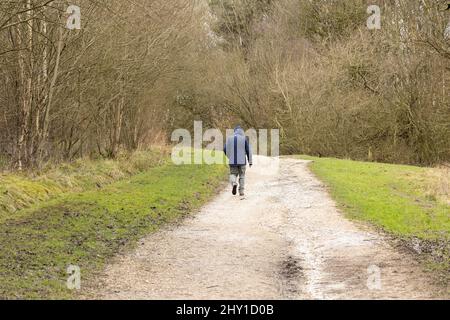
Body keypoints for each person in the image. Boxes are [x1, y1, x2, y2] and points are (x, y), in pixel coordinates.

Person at [223, 126, 253, 197]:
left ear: (235, 131)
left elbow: (224, 149)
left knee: (233, 174)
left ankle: (234, 183)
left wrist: (229, 156)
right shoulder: (244, 139)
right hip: (242, 161)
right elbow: (248, 151)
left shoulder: (229, 138)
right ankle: (241, 191)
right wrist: (250, 161)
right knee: (242, 176)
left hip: (232, 161)